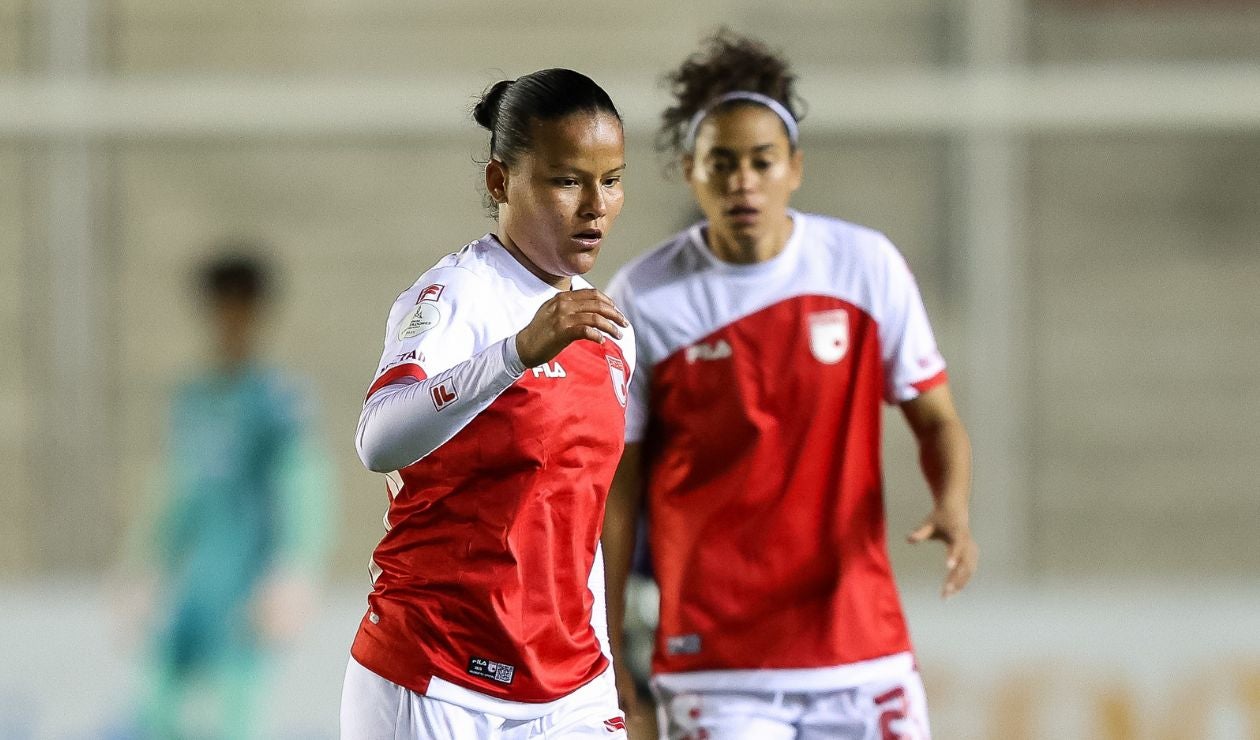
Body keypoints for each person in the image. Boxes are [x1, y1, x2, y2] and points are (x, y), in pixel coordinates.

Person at [602, 30, 978, 740]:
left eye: (761, 161)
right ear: (690, 171)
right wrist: (611, 639)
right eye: (721, 163)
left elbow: (937, 419)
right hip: (717, 665)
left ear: (794, 167)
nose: (743, 180)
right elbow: (618, 488)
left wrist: (953, 504)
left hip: (861, 650)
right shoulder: (644, 298)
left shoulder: (865, 268)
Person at [341, 68, 635, 739]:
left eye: (611, 179)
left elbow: (578, 523)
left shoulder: (614, 331)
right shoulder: (456, 297)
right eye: (567, 180)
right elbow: (377, 440)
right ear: (500, 183)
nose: (595, 204)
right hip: (435, 680)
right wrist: (514, 354)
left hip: (572, 691)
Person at [127, 250, 333, 739]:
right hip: (194, 579)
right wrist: (144, 562)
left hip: (248, 579)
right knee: (157, 705)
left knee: (236, 714)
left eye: (242, 304)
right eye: (223, 304)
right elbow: (177, 489)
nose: (231, 317)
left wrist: (296, 568)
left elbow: (305, 484)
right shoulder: (194, 398)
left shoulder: (278, 401)